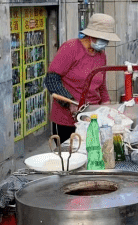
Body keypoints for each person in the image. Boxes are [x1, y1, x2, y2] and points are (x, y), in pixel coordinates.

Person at [44, 13, 120, 142]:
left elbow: (101, 86)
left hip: (92, 116)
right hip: (67, 120)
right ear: (91, 35)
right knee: (70, 156)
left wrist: (107, 108)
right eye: (103, 38)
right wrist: (69, 102)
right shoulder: (71, 48)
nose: (105, 42)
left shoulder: (101, 55)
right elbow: (51, 79)